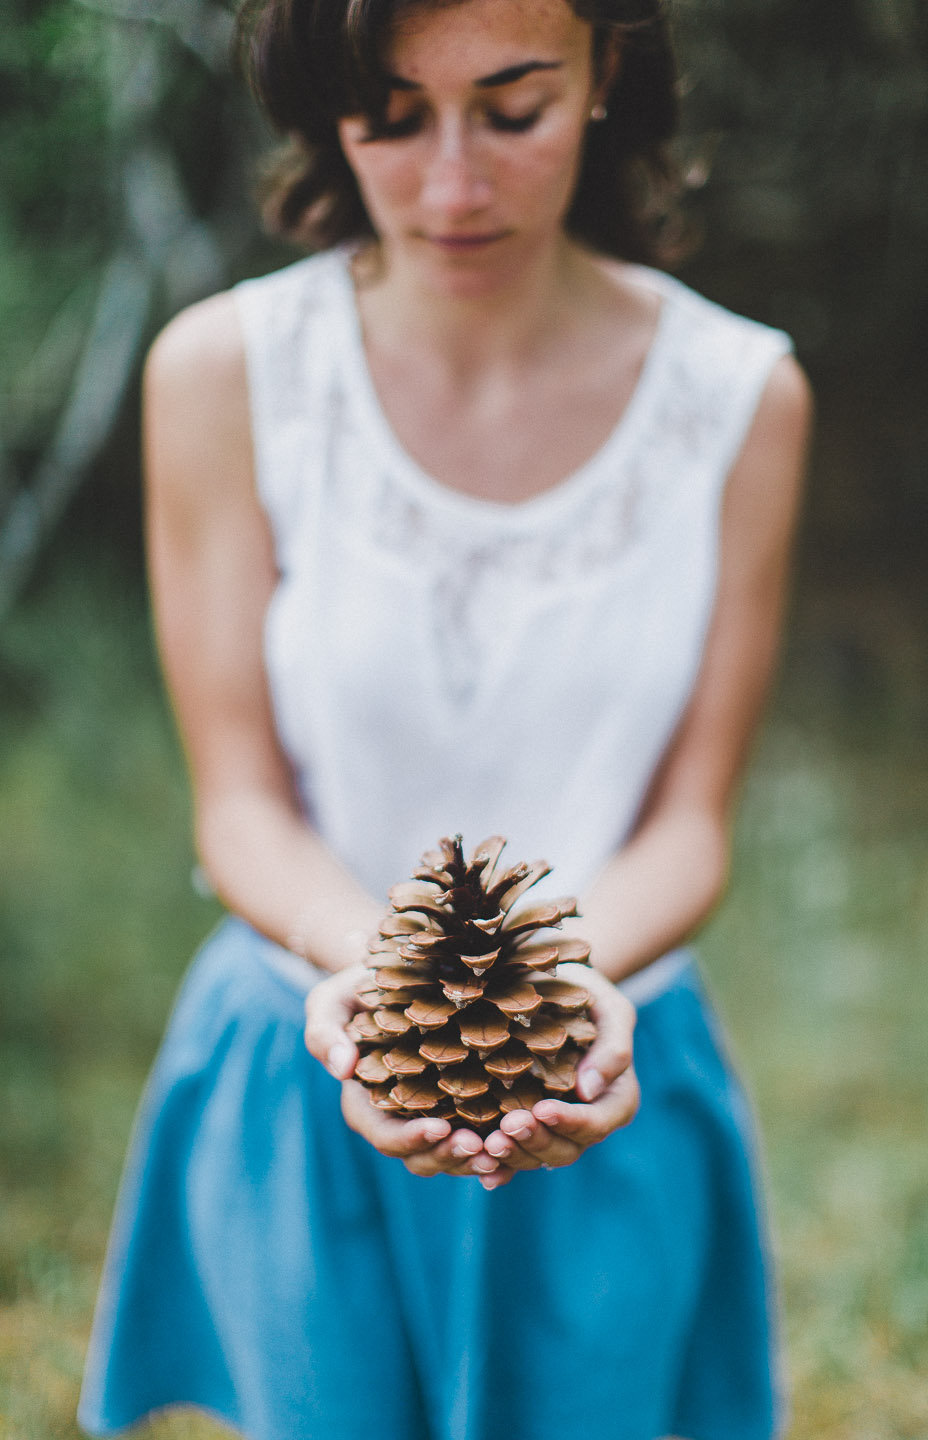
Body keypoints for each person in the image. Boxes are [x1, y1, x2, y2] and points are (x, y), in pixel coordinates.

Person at [78, 0, 811, 1437]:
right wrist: (388, 996)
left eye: (513, 108)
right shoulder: (224, 377)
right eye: (392, 119)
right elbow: (239, 801)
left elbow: (690, 822)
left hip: (608, 1065)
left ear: (605, 72)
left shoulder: (740, 399)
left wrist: (558, 998)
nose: (454, 184)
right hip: (309, 1052)